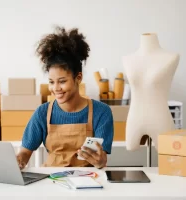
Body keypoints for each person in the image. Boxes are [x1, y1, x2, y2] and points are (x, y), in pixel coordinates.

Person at [16, 26, 114, 169]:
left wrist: (100, 161)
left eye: (62, 81)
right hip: (51, 180)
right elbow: (25, 151)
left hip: (87, 182)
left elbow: (102, 158)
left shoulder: (101, 112)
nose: (56, 88)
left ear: (78, 78)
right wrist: (19, 160)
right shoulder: (42, 113)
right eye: (51, 82)